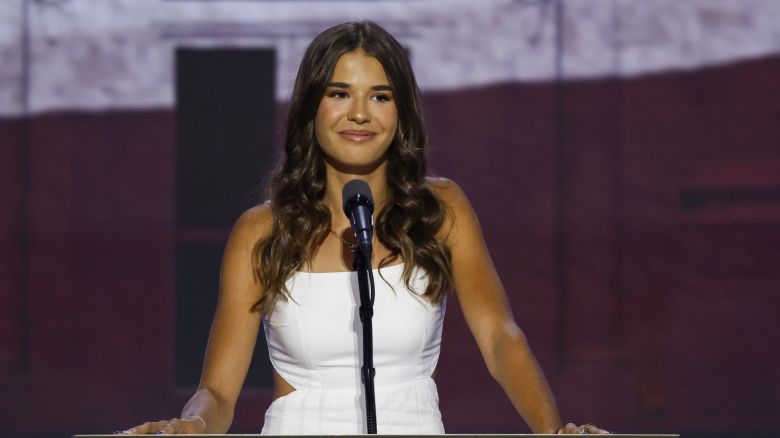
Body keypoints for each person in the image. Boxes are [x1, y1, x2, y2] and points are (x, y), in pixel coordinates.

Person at [120, 21, 608, 435]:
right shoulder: (261, 231)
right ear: (313, 108)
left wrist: (553, 432)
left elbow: (500, 338)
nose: (359, 113)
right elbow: (218, 391)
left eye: (380, 95)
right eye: (339, 94)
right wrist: (191, 426)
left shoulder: (442, 208)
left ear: (401, 113)